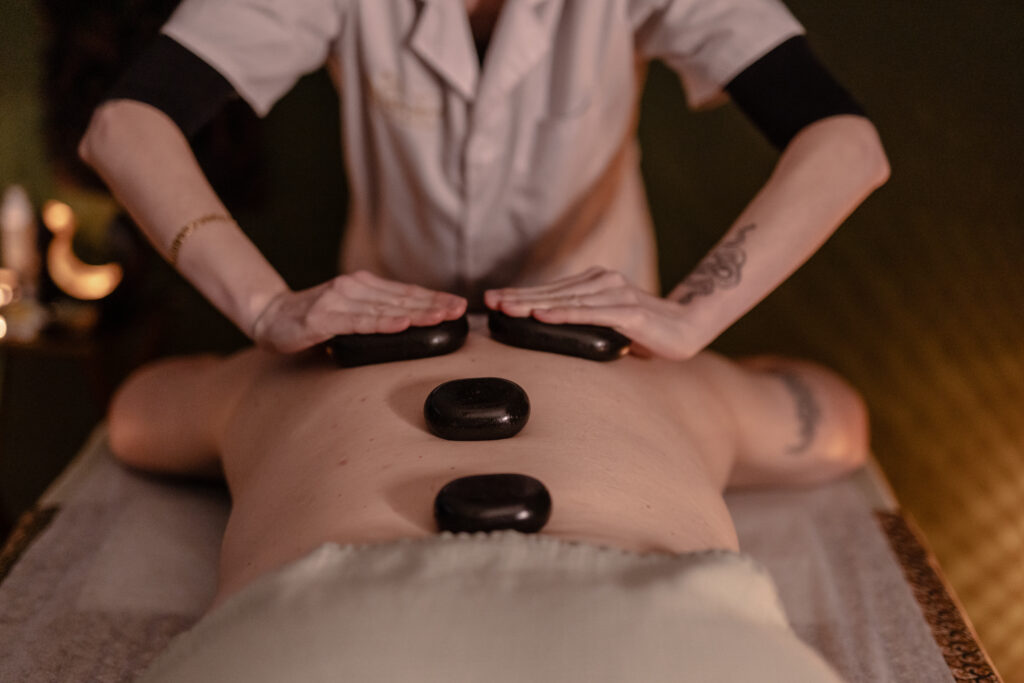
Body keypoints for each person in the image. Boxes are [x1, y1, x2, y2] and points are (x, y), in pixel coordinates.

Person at [79, 0, 889, 362]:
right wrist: (265, 307)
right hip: (389, 342)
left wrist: (690, 316)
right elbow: (125, 127)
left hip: (593, 347)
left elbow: (845, 144)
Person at [109, 316, 867, 681]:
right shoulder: (663, 369)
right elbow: (836, 425)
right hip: (670, 633)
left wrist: (257, 353)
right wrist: (716, 359)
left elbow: (136, 417)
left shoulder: (290, 362)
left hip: (317, 636)